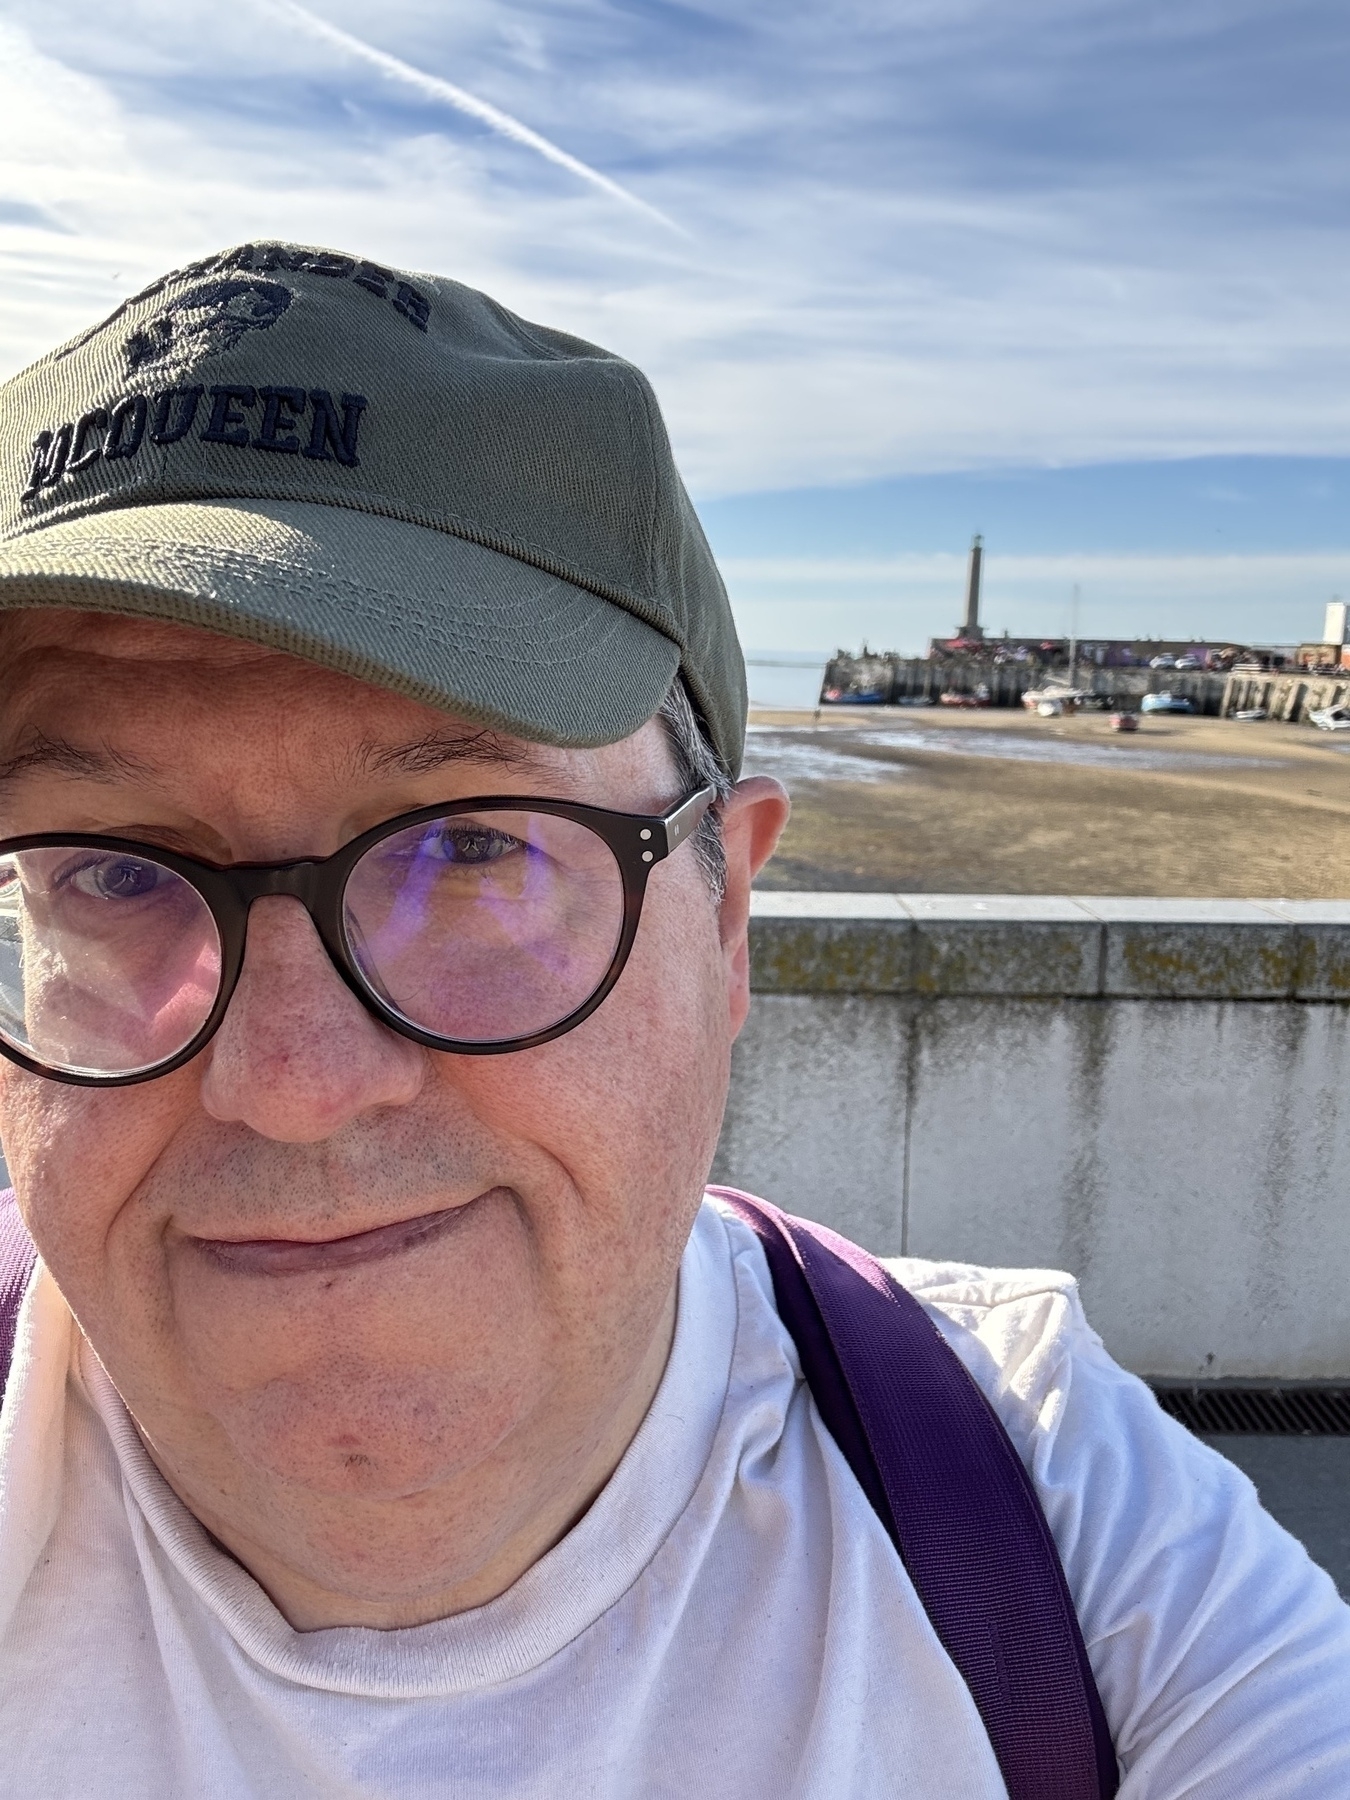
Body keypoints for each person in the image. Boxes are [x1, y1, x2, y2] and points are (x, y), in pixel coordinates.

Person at [0, 243, 1345, 1798]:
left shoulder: (1051, 1525)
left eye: (475, 847)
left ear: (723, 916)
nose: (293, 1085)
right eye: (112, 874)